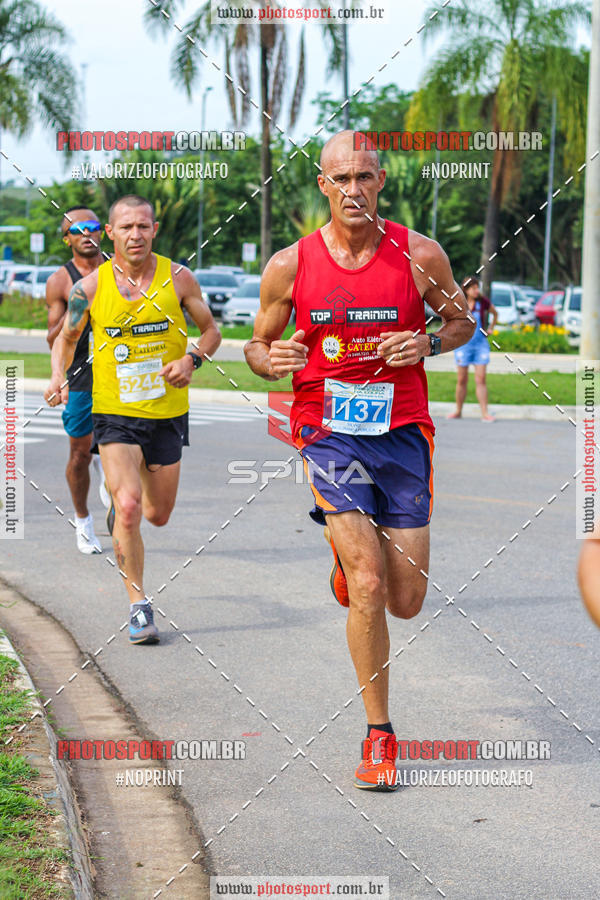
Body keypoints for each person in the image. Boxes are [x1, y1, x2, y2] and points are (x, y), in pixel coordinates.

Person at [244, 130, 475, 790]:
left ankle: (348, 569)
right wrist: (272, 359)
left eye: (364, 177)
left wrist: (428, 342)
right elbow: (256, 346)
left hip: (402, 433)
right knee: (370, 583)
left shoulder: (419, 254)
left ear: (381, 181)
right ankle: (380, 735)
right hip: (328, 433)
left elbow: (462, 323)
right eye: (340, 179)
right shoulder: (290, 264)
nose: (353, 189)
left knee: (405, 600)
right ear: (323, 185)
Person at [45, 195, 221, 644]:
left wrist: (191, 360)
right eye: (126, 227)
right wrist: (58, 376)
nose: (135, 235)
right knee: (128, 507)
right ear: (110, 233)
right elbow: (66, 338)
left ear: (154, 230)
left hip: (166, 413)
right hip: (114, 412)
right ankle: (138, 606)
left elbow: (211, 331)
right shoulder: (89, 289)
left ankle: (123, 497)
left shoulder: (179, 278)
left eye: (143, 226)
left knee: (157, 515)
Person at [45, 207, 106, 554]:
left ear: (103, 232)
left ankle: (110, 471)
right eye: (77, 229)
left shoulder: (121, 270)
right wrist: (77, 309)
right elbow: (52, 339)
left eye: (92, 227)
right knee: (80, 454)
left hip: (121, 371)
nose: (86, 233)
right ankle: (83, 521)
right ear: (66, 239)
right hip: (81, 373)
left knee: (136, 448)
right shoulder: (60, 281)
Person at [446, 275, 498, 422]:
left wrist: (490, 328)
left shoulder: (483, 302)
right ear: (466, 290)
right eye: (473, 288)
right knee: (462, 379)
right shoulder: (459, 304)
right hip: (463, 346)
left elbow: (495, 313)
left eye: (477, 288)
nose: (476, 291)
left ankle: (485, 413)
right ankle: (458, 411)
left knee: (481, 379)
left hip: (480, 345)